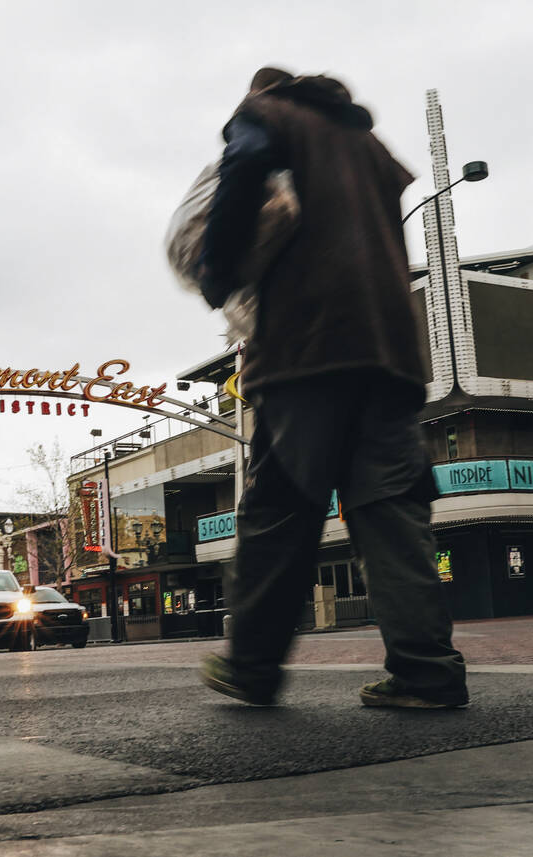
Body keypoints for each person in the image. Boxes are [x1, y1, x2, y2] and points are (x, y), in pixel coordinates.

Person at [197, 67, 468, 710]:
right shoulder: (370, 147)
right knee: (391, 508)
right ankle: (427, 671)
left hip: (307, 341)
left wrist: (217, 269)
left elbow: (243, 173)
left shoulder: (267, 114)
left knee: (281, 510)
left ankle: (254, 668)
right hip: (391, 348)